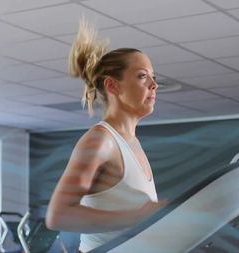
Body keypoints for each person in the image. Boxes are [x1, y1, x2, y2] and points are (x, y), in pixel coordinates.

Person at [45, 18, 168, 252]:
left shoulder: (131, 142)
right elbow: (58, 216)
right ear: (113, 86)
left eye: (154, 77)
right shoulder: (100, 141)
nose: (154, 85)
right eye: (143, 76)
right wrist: (138, 217)